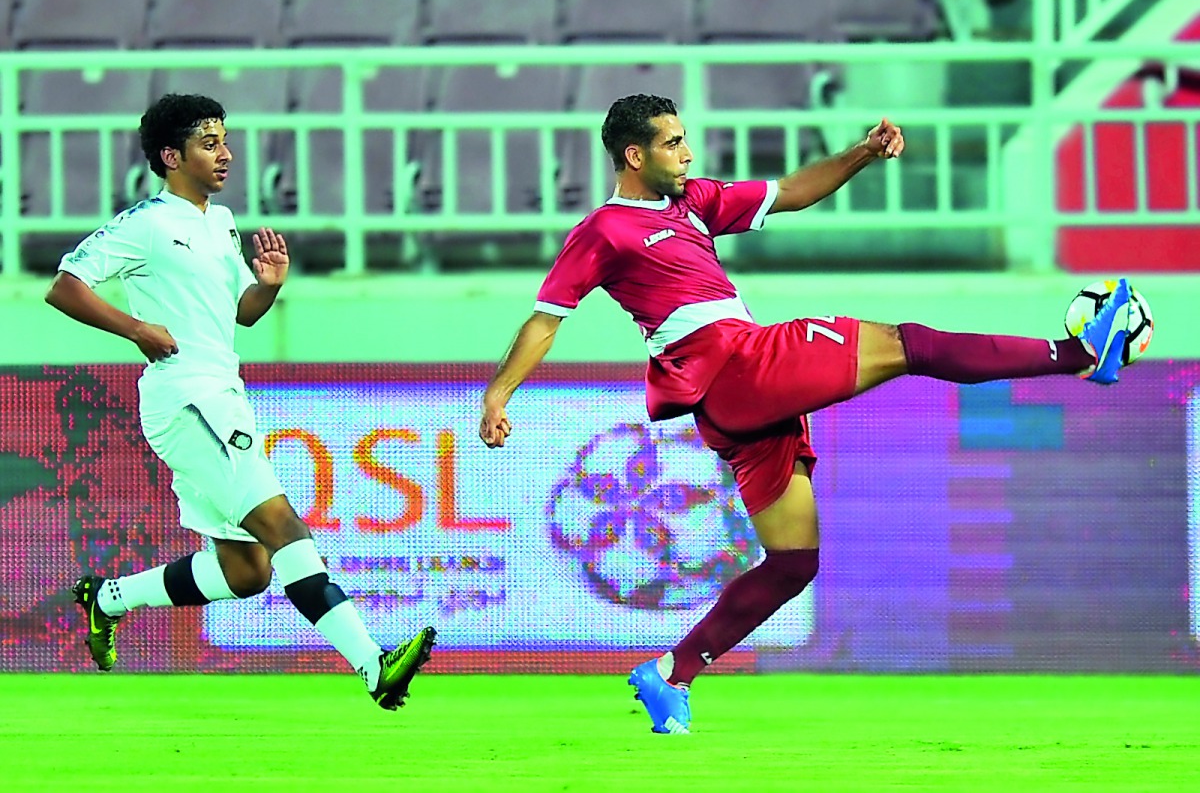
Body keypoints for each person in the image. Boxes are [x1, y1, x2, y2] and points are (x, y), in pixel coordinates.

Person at [478, 94, 1133, 734]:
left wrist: (862, 154)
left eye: (684, 140)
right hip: (736, 363)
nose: (687, 153)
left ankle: (671, 674)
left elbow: (791, 191)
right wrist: (499, 394)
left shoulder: (696, 203)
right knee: (908, 344)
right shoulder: (603, 231)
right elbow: (546, 321)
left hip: (740, 403)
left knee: (793, 562)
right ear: (633, 153)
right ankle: (1078, 351)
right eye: (672, 143)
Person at [45, 93, 436, 710]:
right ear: (171, 156)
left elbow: (237, 317)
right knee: (282, 525)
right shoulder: (145, 222)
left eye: (225, 140)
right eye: (208, 143)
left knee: (246, 572)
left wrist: (268, 286)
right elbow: (64, 288)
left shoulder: (220, 221)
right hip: (188, 397)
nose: (225, 153)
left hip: (220, 393)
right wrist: (137, 329)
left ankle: (107, 598)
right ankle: (371, 663)